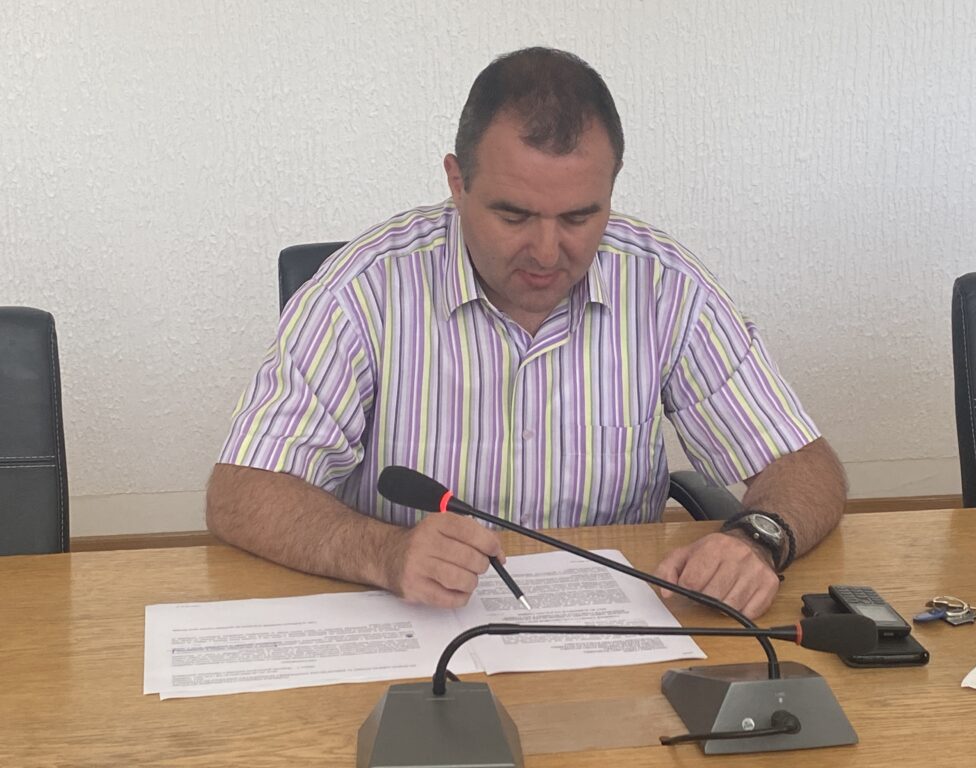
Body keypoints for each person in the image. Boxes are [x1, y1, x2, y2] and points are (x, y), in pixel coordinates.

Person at [207, 47, 846, 619]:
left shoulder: (663, 285)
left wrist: (757, 538)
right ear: (457, 182)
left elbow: (804, 465)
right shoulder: (365, 289)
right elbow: (242, 490)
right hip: (414, 622)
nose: (546, 252)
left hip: (609, 631)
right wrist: (384, 552)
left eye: (578, 217)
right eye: (513, 215)